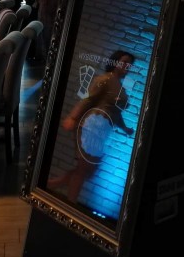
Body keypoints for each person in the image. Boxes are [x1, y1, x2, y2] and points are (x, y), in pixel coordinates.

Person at [48, 50, 135, 203]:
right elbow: (88, 99)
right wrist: (73, 117)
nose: (127, 66)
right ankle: (71, 203)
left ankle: (53, 184)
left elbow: (115, 112)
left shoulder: (119, 86)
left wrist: (125, 128)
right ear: (115, 62)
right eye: (124, 62)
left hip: (101, 132)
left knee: (88, 170)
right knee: (83, 169)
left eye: (130, 64)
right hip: (90, 127)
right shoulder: (105, 79)